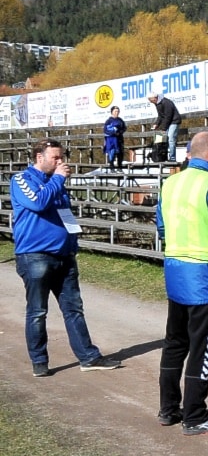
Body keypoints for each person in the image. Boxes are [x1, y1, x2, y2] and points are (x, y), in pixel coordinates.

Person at [11, 138, 121, 376]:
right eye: (55, 158)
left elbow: (64, 214)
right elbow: (38, 203)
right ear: (39, 157)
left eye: (61, 157)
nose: (60, 162)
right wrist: (58, 179)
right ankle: (39, 362)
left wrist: (72, 245)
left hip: (64, 256)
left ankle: (88, 357)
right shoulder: (21, 179)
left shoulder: (56, 183)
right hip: (35, 255)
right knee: (38, 311)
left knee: (74, 309)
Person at [156, 130, 208, 435]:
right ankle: (194, 416)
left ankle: (168, 409)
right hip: (205, 275)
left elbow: (161, 226)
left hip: (175, 270)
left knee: (175, 342)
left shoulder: (171, 183)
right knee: (203, 348)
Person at [148, 93, 182, 162]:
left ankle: (172, 158)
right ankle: (164, 157)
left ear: (155, 98)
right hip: (168, 122)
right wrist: (156, 124)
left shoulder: (166, 102)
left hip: (174, 121)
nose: (150, 102)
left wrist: (163, 128)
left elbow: (168, 116)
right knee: (164, 140)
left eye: (151, 100)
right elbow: (160, 116)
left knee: (171, 139)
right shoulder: (157, 103)